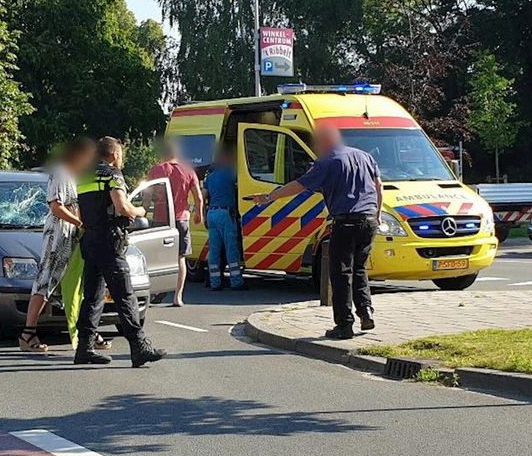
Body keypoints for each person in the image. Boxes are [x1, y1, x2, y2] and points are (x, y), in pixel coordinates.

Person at [251, 125, 382, 339]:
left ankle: (344, 325)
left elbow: (299, 185)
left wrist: (268, 197)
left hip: (345, 221)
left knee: (340, 274)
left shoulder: (327, 162)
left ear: (325, 142)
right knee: (359, 268)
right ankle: (366, 311)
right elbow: (378, 185)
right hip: (369, 220)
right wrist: (376, 213)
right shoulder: (364, 157)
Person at [74, 137, 165, 367]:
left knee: (92, 296)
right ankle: (139, 346)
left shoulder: (84, 177)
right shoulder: (112, 175)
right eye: (121, 154)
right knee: (125, 295)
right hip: (109, 240)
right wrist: (141, 211)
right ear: (114, 154)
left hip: (90, 240)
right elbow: (121, 206)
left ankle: (84, 348)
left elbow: (79, 211)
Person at [19, 138, 108, 353]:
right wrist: (79, 222)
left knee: (81, 285)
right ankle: (28, 333)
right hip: (58, 236)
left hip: (75, 237)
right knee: (45, 282)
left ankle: (88, 331)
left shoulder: (78, 175)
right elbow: (56, 207)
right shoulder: (60, 172)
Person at [146, 139, 203, 306]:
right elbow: (199, 197)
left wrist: (143, 209)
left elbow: (148, 195)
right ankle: (178, 297)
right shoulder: (188, 171)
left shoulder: (156, 170)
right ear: (177, 153)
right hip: (181, 219)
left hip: (160, 219)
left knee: (157, 258)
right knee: (180, 258)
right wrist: (199, 215)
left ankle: (156, 291)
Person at [202, 148, 245, 291]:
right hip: (225, 214)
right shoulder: (230, 173)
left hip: (211, 214)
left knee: (214, 251)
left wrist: (203, 216)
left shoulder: (210, 178)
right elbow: (244, 185)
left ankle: (215, 282)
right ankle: (236, 282)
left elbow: (203, 197)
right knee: (231, 248)